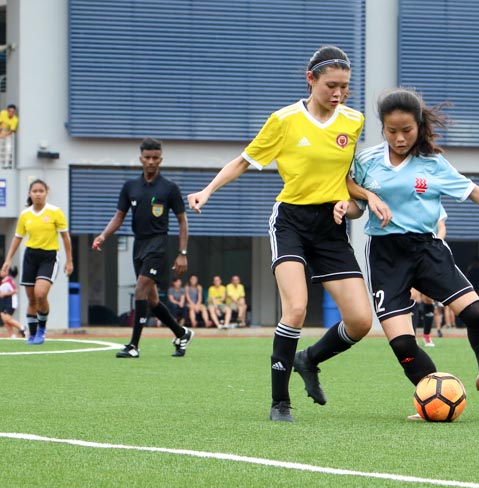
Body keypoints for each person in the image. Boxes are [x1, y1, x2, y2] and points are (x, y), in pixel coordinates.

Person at [187, 47, 389, 422]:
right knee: (295, 308)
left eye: (344, 87)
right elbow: (243, 162)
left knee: (361, 321)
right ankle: (280, 402)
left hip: (331, 227)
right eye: (331, 85)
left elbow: (344, 178)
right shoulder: (284, 120)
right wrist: (207, 191)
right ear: (310, 80)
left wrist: (364, 196)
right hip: (291, 222)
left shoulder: (353, 121)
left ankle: (308, 359)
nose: (338, 94)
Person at [347, 87, 479, 418]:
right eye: (392, 131)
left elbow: (474, 191)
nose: (399, 138)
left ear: (419, 126)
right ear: (383, 128)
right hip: (385, 253)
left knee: (477, 314)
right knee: (403, 344)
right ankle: (431, 398)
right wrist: (350, 203)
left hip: (427, 249)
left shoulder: (433, 164)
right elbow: (351, 195)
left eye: (406, 130)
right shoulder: (366, 160)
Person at [92, 138, 194, 358]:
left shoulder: (170, 188)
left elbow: (183, 221)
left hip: (159, 245)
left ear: (161, 159)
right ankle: (181, 333)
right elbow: (119, 217)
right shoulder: (130, 187)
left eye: (155, 158)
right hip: (138, 245)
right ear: (141, 159)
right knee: (151, 300)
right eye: (147, 158)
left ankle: (134, 346)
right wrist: (103, 235)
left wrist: (182, 253)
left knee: (140, 290)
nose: (151, 161)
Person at [1, 179, 73, 345]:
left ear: (46, 192)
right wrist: (8, 259)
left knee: (41, 294)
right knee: (32, 298)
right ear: (30, 193)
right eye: (35, 191)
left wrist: (69, 261)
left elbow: (65, 237)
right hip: (30, 257)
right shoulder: (25, 215)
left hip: (49, 257)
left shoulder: (55, 212)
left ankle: (42, 329)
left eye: (41, 191)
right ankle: (32, 335)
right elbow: (17, 237)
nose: (38, 194)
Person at [0, 266, 25, 338]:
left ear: (7, 273)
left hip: (11, 302)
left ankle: (22, 327)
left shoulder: (9, 280)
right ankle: (12, 335)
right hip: (4, 301)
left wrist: (4, 294)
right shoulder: (3, 281)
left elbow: (15, 290)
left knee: (6, 318)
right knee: (3, 318)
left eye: (3, 271)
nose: (1, 272)